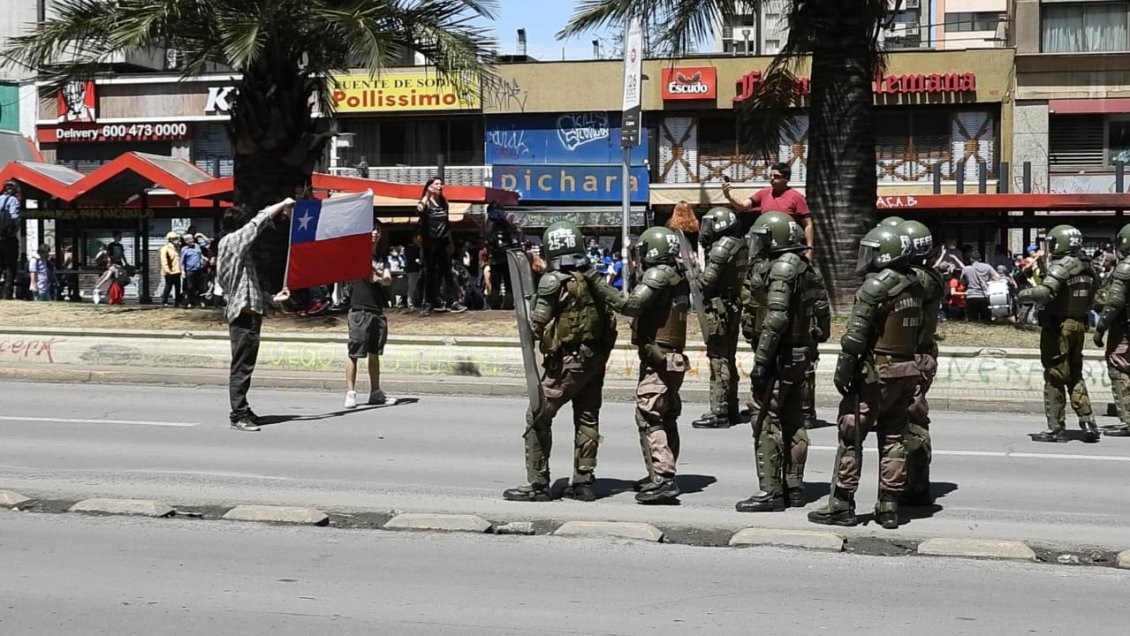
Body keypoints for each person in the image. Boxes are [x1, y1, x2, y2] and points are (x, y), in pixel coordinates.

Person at [808, 224, 923, 530]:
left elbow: (854, 340)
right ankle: (888, 506)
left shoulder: (876, 287)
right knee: (895, 438)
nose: (866, 258)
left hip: (876, 374)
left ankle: (841, 504)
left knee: (851, 436)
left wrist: (843, 374)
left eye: (871, 252)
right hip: (906, 370)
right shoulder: (914, 284)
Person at [503, 221, 617, 503]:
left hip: (567, 361)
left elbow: (537, 323)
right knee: (588, 417)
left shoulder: (554, 281)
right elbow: (611, 321)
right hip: (594, 359)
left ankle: (538, 484)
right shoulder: (594, 279)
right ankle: (584, 482)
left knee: (538, 415)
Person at [589, 226, 689, 505]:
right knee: (666, 416)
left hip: (660, 357)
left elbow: (631, 306)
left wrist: (598, 284)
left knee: (649, 417)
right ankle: (661, 472)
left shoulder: (658, 275)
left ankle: (663, 478)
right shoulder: (678, 274)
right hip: (670, 356)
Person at [737, 211, 829, 512]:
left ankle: (771, 492)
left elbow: (775, 317)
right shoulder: (804, 266)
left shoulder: (782, 269)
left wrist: (762, 361)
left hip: (780, 355)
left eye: (763, 239)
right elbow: (823, 310)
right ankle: (795, 486)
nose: (758, 245)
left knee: (763, 417)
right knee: (793, 420)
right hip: (799, 353)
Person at [216, 197, 295, 432]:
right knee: (241, 367)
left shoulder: (239, 254)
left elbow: (245, 287)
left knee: (246, 365)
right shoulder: (232, 243)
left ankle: (243, 409)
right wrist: (282, 203)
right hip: (242, 317)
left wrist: (272, 298)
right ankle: (238, 414)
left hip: (249, 314)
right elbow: (257, 223)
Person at [1018, 224, 1100, 444]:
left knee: (1055, 376)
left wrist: (1023, 294)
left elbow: (1045, 292)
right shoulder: (1086, 266)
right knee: (1075, 373)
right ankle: (1088, 421)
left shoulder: (1062, 265)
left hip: (1059, 327)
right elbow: (1096, 295)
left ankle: (1056, 428)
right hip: (1079, 325)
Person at [898, 220, 946, 507]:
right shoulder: (930, 276)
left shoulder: (917, 279)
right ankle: (909, 481)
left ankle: (915, 486)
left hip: (912, 355)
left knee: (911, 421)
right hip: (921, 353)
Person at [691, 207, 748, 429]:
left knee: (718, 359)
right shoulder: (740, 244)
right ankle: (732, 408)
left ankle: (719, 411)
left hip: (718, 310)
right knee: (729, 358)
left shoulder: (722, 247)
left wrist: (693, 276)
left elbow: (708, 281)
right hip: (733, 306)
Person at [344, 225, 396, 409]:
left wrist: (379, 277)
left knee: (375, 353)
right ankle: (350, 392)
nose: (375, 233)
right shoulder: (356, 254)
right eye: (372, 229)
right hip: (359, 308)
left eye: (378, 230)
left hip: (377, 310)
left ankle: (376, 392)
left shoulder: (382, 259)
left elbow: (388, 279)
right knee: (355, 352)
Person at [722, 162, 813, 261]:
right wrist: (728, 196)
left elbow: (808, 224)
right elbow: (743, 206)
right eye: (771, 176)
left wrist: (810, 250)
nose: (772, 178)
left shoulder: (797, 197)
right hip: (764, 247)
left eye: (777, 176)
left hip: (788, 247)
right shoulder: (764, 193)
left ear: (786, 179)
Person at [1094, 223, 1130, 438]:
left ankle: (1128, 419)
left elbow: (1114, 302)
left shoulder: (1125, 267)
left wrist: (1100, 329)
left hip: (1125, 328)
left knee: (1118, 366)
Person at [415, 177, 467, 315]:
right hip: (430, 242)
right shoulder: (426, 203)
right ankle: (428, 303)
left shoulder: (444, 202)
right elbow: (419, 210)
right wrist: (427, 195)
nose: (440, 186)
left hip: (443, 241)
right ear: (429, 186)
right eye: (436, 184)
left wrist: (451, 243)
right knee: (430, 273)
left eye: (441, 184)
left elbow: (447, 224)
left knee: (447, 273)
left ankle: (453, 301)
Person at [484, 202, 521, 310]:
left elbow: (484, 236)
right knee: (509, 284)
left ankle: (494, 305)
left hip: (494, 256)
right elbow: (518, 232)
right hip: (508, 255)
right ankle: (508, 305)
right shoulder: (510, 217)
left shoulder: (487, 220)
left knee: (495, 284)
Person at [960, 251, 998, 323]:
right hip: (983, 296)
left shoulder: (966, 269)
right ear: (980, 259)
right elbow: (997, 277)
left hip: (970, 296)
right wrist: (988, 280)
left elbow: (962, 282)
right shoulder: (987, 267)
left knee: (972, 321)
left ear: (971, 259)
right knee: (986, 320)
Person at [0, 180, 22, 300]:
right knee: (11, 266)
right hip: (9, 239)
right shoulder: (13, 200)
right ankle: (7, 293)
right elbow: (15, 217)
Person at [180, 234, 206, 308]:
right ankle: (190, 302)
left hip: (199, 270)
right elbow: (182, 262)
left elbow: (207, 242)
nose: (192, 240)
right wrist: (182, 271)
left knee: (201, 287)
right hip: (190, 271)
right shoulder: (184, 249)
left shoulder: (197, 246)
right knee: (190, 287)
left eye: (192, 239)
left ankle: (201, 301)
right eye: (190, 239)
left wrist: (201, 235)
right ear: (186, 241)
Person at [159, 231, 183, 307]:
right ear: (170, 239)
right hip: (170, 271)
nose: (176, 240)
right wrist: (167, 270)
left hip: (177, 270)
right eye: (174, 238)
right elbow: (164, 261)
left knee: (178, 287)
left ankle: (177, 301)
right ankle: (164, 300)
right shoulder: (165, 249)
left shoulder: (176, 248)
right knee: (168, 286)